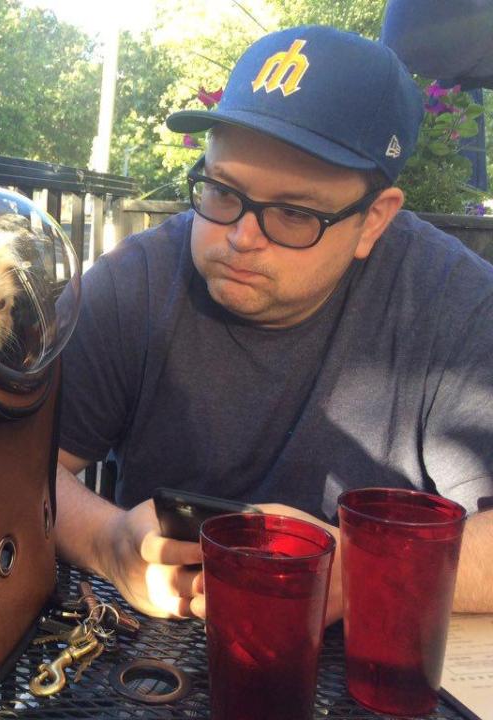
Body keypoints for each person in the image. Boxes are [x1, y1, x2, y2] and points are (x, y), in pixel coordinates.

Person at [54, 25, 493, 623]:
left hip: (374, 665)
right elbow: (10, 470)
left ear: (374, 221)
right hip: (154, 663)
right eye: (222, 190)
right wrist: (108, 543)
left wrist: (370, 572)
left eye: (292, 212)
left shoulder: (457, 305)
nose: (240, 236)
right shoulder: (138, 282)